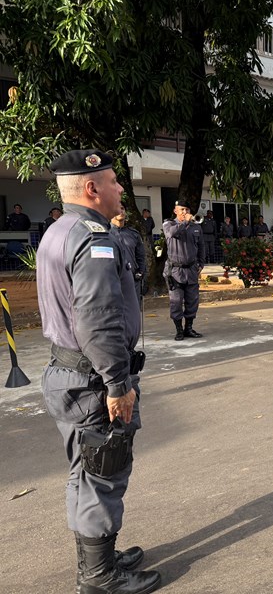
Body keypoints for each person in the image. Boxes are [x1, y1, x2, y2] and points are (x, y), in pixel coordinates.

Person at [37, 149, 161, 594]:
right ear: (91, 188)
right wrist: (118, 383)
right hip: (93, 380)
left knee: (86, 472)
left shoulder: (58, 230)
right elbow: (100, 319)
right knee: (103, 474)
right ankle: (99, 576)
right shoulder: (94, 238)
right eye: (113, 182)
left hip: (67, 373)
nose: (119, 190)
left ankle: (99, 557)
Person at [163, 201, 205, 340]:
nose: (185, 212)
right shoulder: (169, 224)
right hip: (175, 271)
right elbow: (173, 233)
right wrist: (185, 223)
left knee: (192, 301)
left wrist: (201, 264)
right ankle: (179, 330)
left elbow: (201, 246)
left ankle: (189, 328)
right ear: (175, 210)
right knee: (176, 301)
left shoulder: (195, 227)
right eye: (182, 209)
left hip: (191, 270)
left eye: (187, 209)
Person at [110, 206, 147, 304]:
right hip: (112, 279)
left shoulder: (133, 234)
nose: (120, 211)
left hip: (132, 278)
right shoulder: (104, 233)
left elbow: (141, 257)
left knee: (133, 312)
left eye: (122, 208)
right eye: (117, 208)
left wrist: (141, 273)